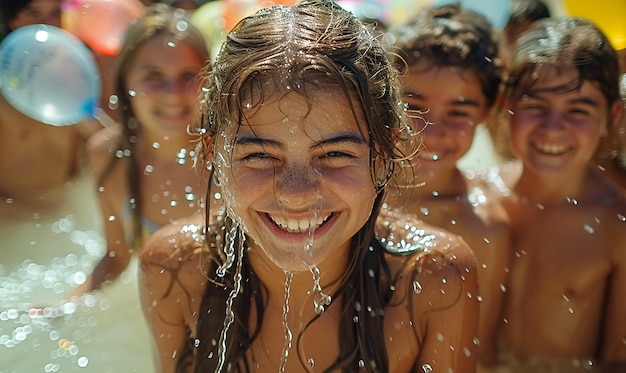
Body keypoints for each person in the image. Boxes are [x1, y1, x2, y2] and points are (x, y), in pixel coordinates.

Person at [139, 1, 480, 372]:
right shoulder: (174, 268)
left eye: (334, 153)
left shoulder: (434, 276)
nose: (295, 193)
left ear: (384, 155)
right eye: (258, 156)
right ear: (213, 155)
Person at [494, 17, 626, 371]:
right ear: (506, 106)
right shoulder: (477, 199)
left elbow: (618, 359)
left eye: (578, 110)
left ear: (612, 116)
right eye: (535, 106)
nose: (553, 128)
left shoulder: (617, 227)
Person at [387, 4, 511, 369]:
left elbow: (476, 355)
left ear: (487, 113)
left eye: (459, 113)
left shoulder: (486, 226)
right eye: (413, 105)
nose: (433, 133)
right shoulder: (351, 193)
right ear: (386, 99)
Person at [70, 4, 211, 297]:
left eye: (188, 75)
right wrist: (64, 308)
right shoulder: (107, 155)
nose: (173, 93)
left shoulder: (233, 155)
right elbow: (116, 258)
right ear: (125, 82)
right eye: (153, 76)